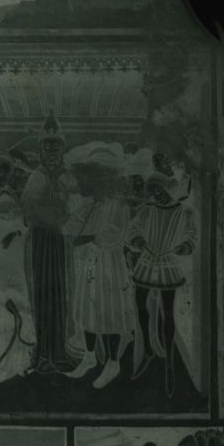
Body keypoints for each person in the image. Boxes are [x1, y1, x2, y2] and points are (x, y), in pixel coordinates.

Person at [124, 170, 197, 384]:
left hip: (168, 264)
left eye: (160, 191)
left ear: (168, 189)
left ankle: (170, 364)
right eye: (153, 193)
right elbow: (133, 228)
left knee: (167, 311)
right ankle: (148, 347)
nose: (157, 196)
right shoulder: (148, 210)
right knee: (140, 304)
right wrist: (138, 240)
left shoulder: (184, 212)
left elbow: (190, 235)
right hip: (147, 262)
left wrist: (184, 246)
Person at [67, 160, 135, 388]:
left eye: (87, 180)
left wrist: (86, 238)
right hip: (89, 264)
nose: (82, 184)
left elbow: (113, 234)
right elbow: (72, 225)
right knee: (87, 310)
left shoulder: (119, 204)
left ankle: (113, 363)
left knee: (110, 313)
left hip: (109, 266)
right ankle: (89, 357)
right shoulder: (93, 203)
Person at [20, 117, 76, 374]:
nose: (52, 151)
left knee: (63, 293)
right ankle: (43, 353)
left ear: (62, 149)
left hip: (63, 242)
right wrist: (52, 213)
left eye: (56, 147)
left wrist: (65, 212)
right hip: (42, 242)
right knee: (43, 294)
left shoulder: (69, 176)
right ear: (41, 150)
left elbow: (75, 207)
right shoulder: (36, 176)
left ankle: (61, 351)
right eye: (47, 147)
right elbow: (28, 210)